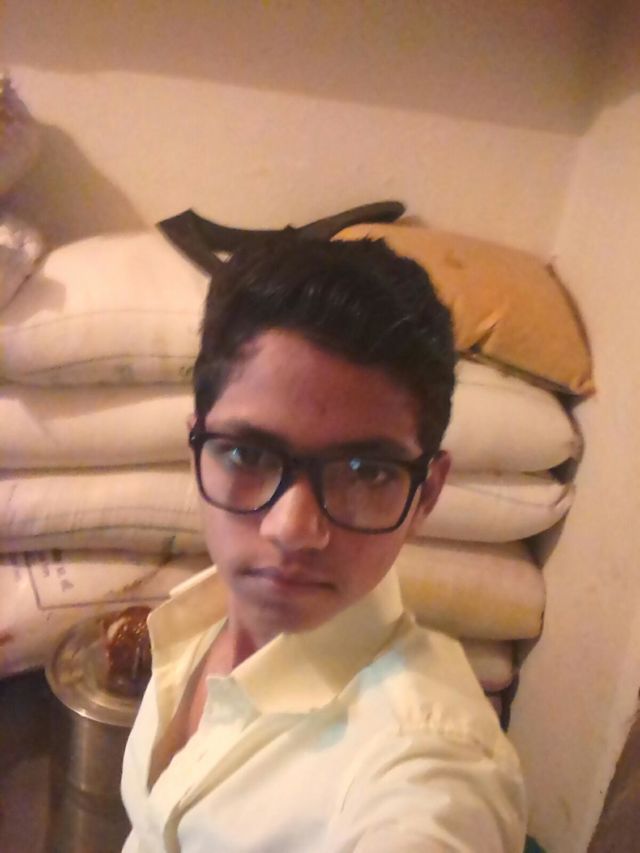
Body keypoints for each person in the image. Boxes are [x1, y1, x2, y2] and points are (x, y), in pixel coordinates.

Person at [121, 236, 527, 851]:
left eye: (364, 471)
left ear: (427, 495)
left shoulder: (429, 761)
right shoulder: (196, 623)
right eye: (248, 455)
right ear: (195, 446)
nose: (292, 528)